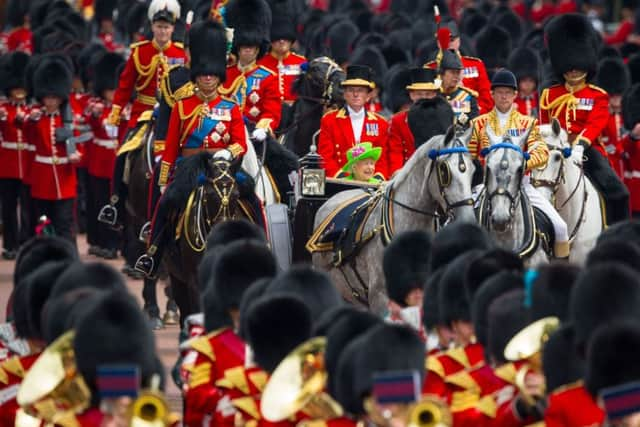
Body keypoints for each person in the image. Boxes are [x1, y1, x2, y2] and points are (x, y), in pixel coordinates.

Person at [135, 20, 248, 278]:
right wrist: (164, 180)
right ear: (196, 75)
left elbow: (240, 141)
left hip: (223, 167)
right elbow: (172, 146)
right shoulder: (182, 106)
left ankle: (261, 246)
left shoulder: (231, 106)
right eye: (203, 74)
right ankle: (152, 253)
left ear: (219, 75)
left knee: (252, 197)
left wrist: (228, 153)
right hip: (189, 167)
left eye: (212, 74)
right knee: (167, 203)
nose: (208, 78)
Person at [98, 0, 186, 229]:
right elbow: (125, 86)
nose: (163, 31)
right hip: (143, 113)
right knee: (124, 152)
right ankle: (115, 204)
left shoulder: (180, 53)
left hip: (171, 113)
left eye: (167, 27)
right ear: (152, 27)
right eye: (159, 27)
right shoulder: (139, 52)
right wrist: (115, 112)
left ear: (173, 29)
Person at [540, 13, 630, 225]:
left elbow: (596, 123)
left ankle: (615, 235)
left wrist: (580, 144)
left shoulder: (597, 95)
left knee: (618, 193)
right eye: (569, 66)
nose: (573, 70)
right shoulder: (549, 95)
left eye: (577, 66)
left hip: (588, 151)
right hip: (555, 150)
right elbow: (543, 125)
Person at [470, 69, 570, 258]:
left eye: (508, 92)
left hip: (522, 184)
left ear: (515, 94)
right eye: (499, 92)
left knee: (561, 227)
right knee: (455, 226)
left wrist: (522, 165)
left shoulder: (528, 123)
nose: (504, 96)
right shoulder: (479, 123)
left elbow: (541, 152)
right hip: (487, 185)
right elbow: (469, 155)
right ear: (492, 94)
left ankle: (558, 275)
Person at [26, 55, 82, 244]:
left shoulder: (68, 118)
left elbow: (79, 143)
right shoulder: (35, 118)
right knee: (44, 223)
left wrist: (77, 155)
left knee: (65, 223)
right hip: (43, 179)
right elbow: (22, 129)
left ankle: (69, 262)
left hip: (65, 179)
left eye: (54, 97)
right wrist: (29, 118)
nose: (50, 101)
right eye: (48, 97)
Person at [222, 0, 282, 138]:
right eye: (244, 47)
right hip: (226, 134)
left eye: (252, 47)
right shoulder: (225, 73)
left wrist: (263, 128)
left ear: (257, 50)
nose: (248, 51)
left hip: (254, 134)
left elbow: (271, 111)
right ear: (238, 48)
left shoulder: (268, 77)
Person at [317, 65, 389, 178]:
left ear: (368, 96)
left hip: (371, 184)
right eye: (351, 90)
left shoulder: (381, 123)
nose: (356, 95)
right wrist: (341, 177)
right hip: (339, 182)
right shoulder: (329, 120)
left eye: (360, 91)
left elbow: (382, 158)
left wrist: (377, 177)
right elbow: (325, 156)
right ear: (344, 94)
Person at [85, 52, 125, 259]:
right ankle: (105, 243)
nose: (112, 93)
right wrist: (94, 114)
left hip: (117, 162)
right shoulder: (96, 106)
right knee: (101, 205)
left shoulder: (124, 107)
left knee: (118, 205)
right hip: (100, 164)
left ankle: (118, 243)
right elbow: (90, 122)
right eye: (110, 89)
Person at [0, 52, 33, 259]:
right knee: (9, 207)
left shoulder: (32, 109)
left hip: (28, 164)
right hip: (8, 164)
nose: (18, 92)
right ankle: (10, 244)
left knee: (28, 207)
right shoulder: (3, 109)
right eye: (15, 88)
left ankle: (26, 242)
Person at [257, 0, 306, 129]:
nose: (282, 41)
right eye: (277, 38)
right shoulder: (260, 64)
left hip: (296, 119)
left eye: (285, 38)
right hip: (267, 119)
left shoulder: (301, 62)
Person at [425, 19, 493, 113]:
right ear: (438, 43)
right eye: (443, 41)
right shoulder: (429, 69)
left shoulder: (475, 65)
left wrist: (472, 113)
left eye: (452, 40)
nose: (448, 44)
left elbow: (487, 99)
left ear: (459, 41)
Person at [387, 67, 442, 175]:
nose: (423, 98)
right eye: (419, 94)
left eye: (428, 94)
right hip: (407, 174)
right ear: (411, 95)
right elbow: (395, 151)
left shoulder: (442, 119)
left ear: (434, 95)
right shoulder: (398, 120)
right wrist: (396, 173)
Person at [439, 49, 479, 123]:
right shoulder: (434, 95)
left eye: (458, 73)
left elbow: (474, 125)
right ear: (442, 74)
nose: (456, 76)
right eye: (452, 72)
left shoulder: (468, 97)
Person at [508, 47, 541, 118]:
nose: (528, 84)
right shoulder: (512, 100)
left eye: (531, 81)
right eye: (524, 80)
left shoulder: (540, 99)